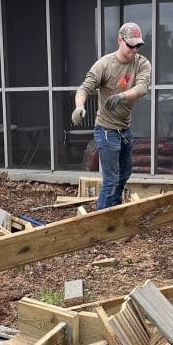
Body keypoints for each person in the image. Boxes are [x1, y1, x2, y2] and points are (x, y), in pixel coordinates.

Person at [72, 22, 152, 209]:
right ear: (120, 40)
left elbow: (142, 88)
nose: (134, 49)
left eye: (137, 45)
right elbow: (85, 88)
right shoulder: (105, 64)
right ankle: (102, 217)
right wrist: (79, 106)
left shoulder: (141, 63)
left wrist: (122, 96)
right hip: (106, 129)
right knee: (111, 178)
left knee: (125, 173)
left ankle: (115, 208)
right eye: (130, 45)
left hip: (125, 128)